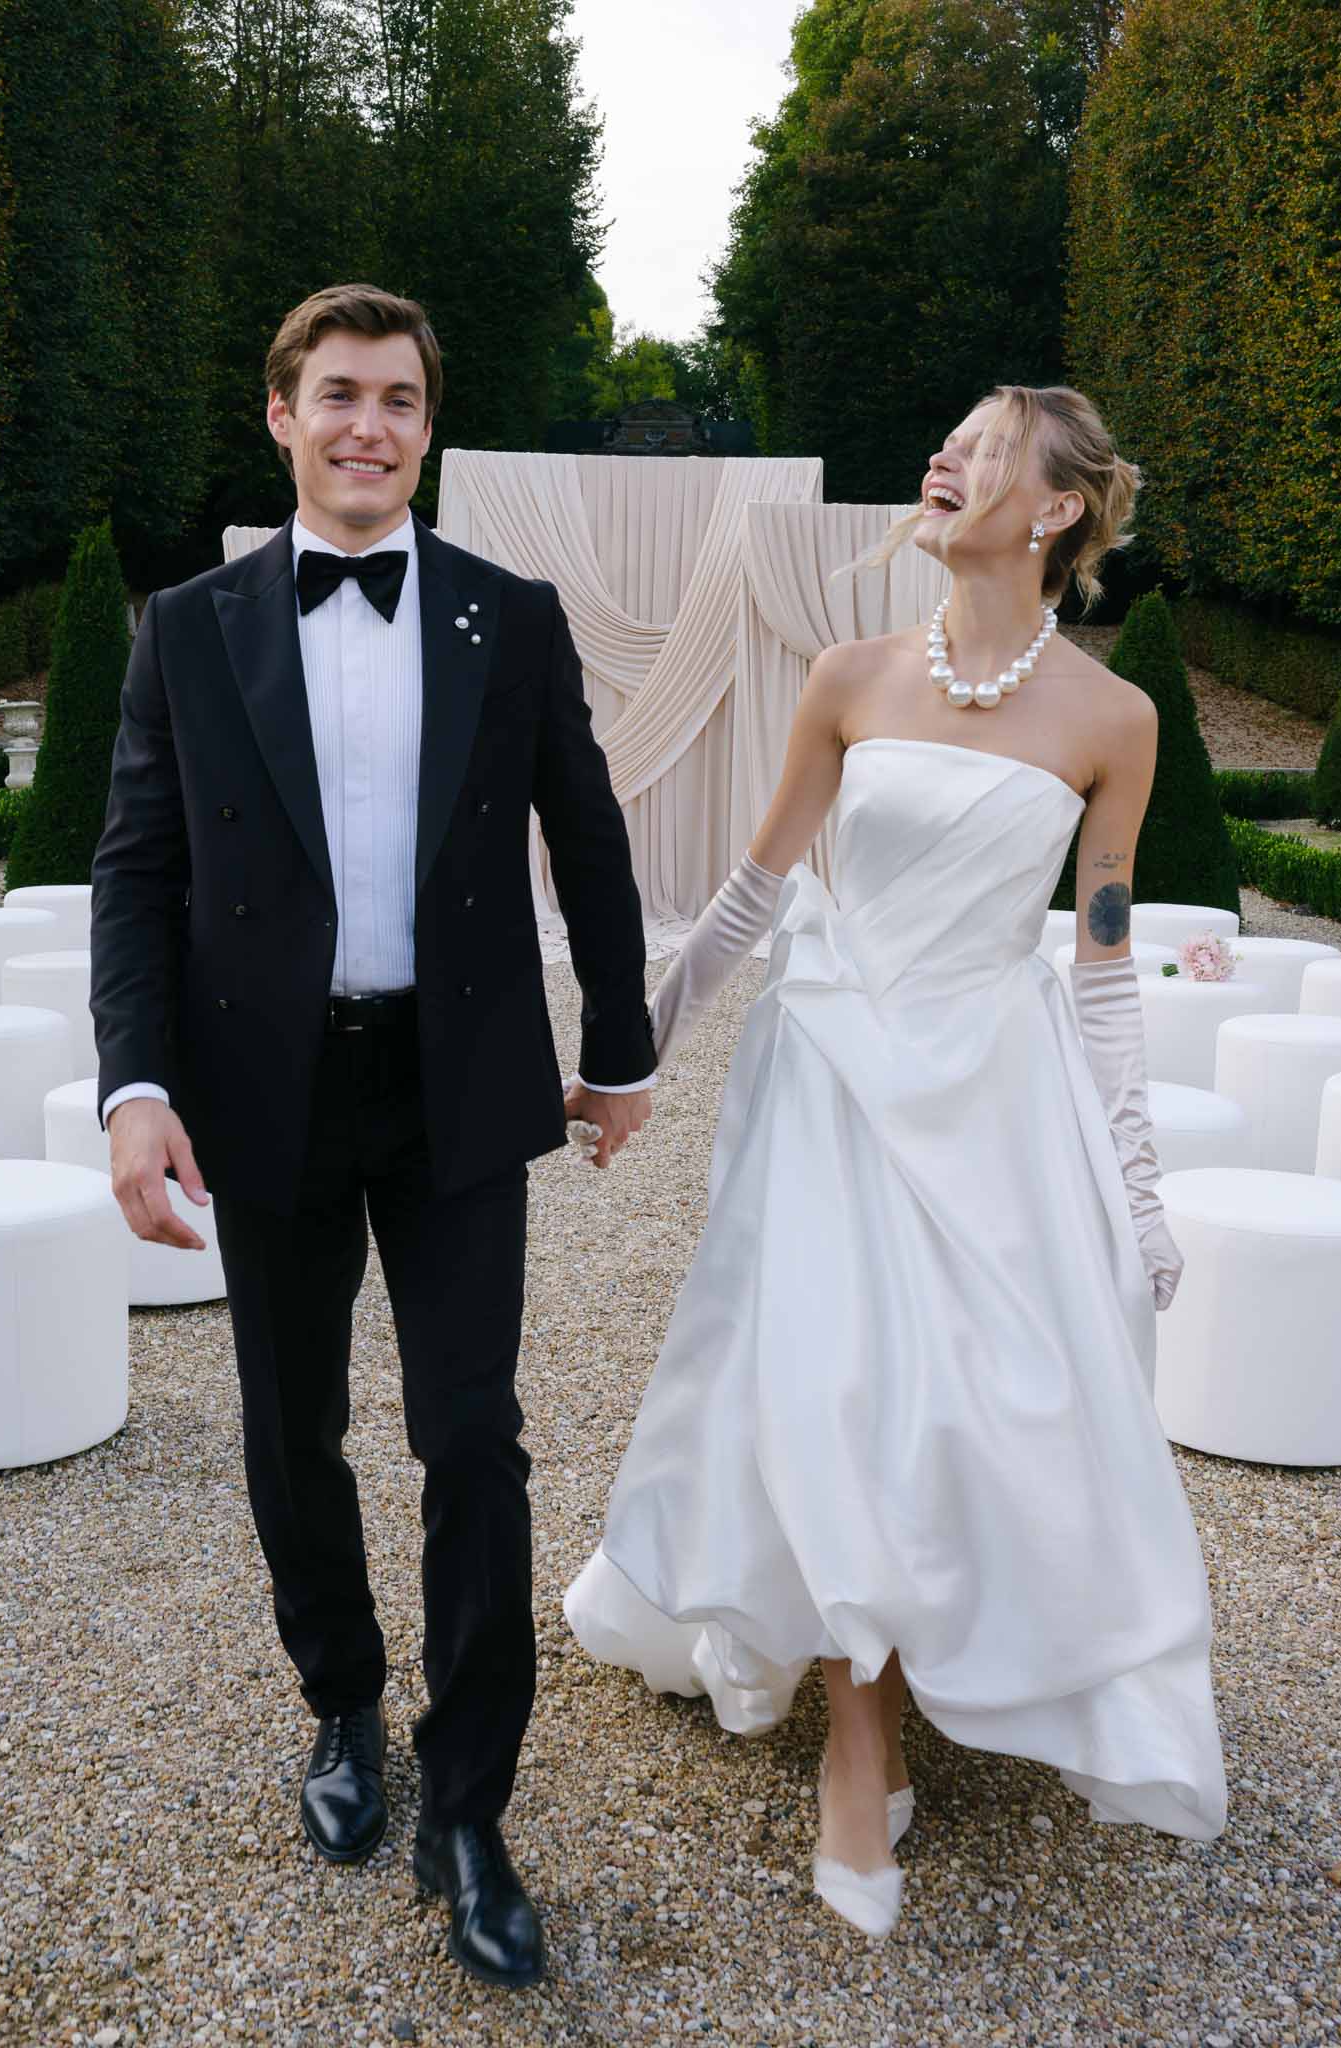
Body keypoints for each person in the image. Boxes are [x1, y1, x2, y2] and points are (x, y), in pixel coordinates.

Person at [565, 385, 1228, 1939]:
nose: (946, 458)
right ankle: (856, 1749)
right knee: (834, 1388)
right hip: (830, 1082)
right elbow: (747, 897)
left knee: (987, 1403)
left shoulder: (1114, 722)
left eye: (986, 449)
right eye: (948, 439)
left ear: (1055, 508)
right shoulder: (848, 675)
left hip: (993, 1099)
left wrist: (1136, 1188)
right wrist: (627, 1053)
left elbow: (1103, 964)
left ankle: (957, 1640)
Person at [89, 283, 655, 1989]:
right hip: (263, 1086)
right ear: (282, 415)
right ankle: (342, 1700)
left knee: (472, 1437)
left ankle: (468, 1802)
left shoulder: (509, 614)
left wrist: (618, 1047)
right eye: (338, 394)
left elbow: (589, 837)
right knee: (292, 1427)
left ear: (426, 425)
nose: (369, 426)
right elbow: (138, 870)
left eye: (398, 399)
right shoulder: (188, 626)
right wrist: (134, 1088)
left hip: (457, 1084)